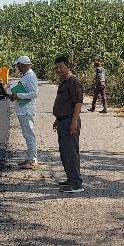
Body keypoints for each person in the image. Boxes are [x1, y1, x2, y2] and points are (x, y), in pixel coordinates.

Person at [52, 55, 84, 193]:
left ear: (68, 67)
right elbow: (64, 103)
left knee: (71, 153)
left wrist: (74, 121)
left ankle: (76, 184)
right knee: (65, 153)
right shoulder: (63, 82)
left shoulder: (73, 82)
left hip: (70, 122)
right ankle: (70, 179)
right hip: (63, 121)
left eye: (61, 67)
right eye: (56, 68)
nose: (58, 70)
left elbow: (78, 103)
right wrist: (57, 119)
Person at [9, 55, 39, 169]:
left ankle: (33, 160)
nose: (18, 68)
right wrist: (14, 96)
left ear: (24, 65)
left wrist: (18, 95)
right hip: (23, 110)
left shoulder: (30, 76)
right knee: (27, 135)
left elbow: (34, 93)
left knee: (29, 135)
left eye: (19, 66)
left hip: (27, 110)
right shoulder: (26, 76)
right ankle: (29, 158)